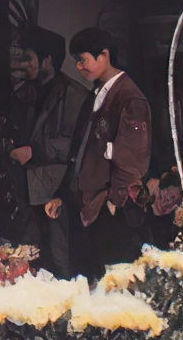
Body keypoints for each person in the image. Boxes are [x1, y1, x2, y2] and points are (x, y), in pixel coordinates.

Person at [46, 28, 151, 279]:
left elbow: (132, 157)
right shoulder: (97, 93)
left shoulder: (129, 97)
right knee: (86, 280)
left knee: (111, 284)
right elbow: (79, 150)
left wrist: (115, 199)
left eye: (83, 59)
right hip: (86, 202)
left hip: (110, 208)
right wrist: (63, 193)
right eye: (76, 61)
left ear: (103, 56)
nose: (79, 67)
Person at [8, 27, 90, 278]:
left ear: (47, 61)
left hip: (57, 187)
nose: (24, 65)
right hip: (27, 187)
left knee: (59, 257)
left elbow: (77, 143)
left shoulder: (76, 95)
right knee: (27, 256)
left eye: (29, 59)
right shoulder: (24, 93)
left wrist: (34, 150)